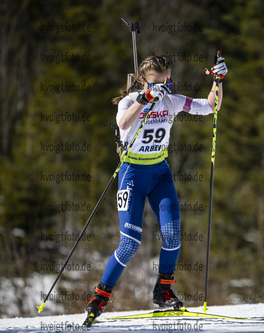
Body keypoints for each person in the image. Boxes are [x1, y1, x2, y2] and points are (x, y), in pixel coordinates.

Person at [85, 54, 227, 320]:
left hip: (160, 173)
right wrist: (145, 99)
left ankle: (164, 291)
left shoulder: (171, 101)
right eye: (156, 85)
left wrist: (217, 81)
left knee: (173, 235)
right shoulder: (131, 101)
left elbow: (211, 106)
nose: (163, 89)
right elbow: (123, 123)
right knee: (129, 243)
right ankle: (100, 297)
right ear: (143, 82)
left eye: (167, 83)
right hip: (133, 174)